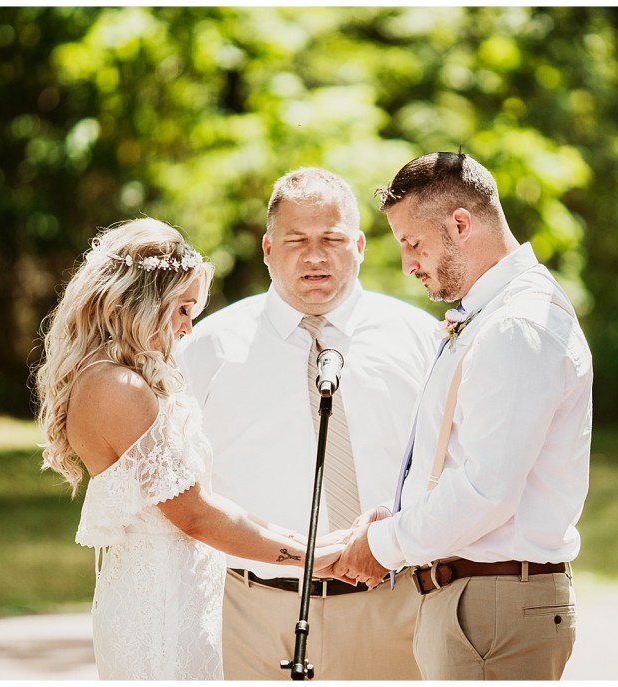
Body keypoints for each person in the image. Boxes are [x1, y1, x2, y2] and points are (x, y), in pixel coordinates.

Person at [33, 218, 343, 680]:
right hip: (158, 609)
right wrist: (310, 559)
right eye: (182, 309)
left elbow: (202, 500)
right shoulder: (119, 388)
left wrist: (310, 542)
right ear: (140, 301)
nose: (186, 327)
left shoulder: (118, 378)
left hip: (173, 594)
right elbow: (195, 515)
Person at [333, 152, 593, 680]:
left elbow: (486, 491)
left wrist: (383, 546)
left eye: (413, 243)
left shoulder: (517, 326)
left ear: (460, 224)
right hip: (480, 601)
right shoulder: (494, 314)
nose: (407, 264)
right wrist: (397, 512)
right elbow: (464, 460)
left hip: (494, 609)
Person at [175, 167, 438, 679]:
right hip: (250, 613)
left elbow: (447, 465)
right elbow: (181, 487)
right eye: (296, 240)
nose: (315, 256)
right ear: (268, 249)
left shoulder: (421, 340)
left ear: (359, 245)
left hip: (395, 607)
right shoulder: (208, 347)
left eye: (332, 240)